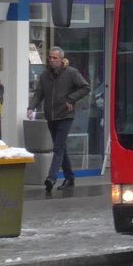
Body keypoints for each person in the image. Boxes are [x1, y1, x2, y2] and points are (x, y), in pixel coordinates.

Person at [27, 46, 90, 193]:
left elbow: (85, 87)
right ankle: (70, 177)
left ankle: (52, 177)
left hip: (65, 115)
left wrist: (71, 99)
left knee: (58, 147)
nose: (51, 60)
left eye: (55, 58)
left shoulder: (71, 73)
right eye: (50, 57)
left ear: (62, 60)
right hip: (51, 115)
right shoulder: (45, 76)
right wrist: (31, 107)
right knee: (60, 147)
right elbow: (39, 94)